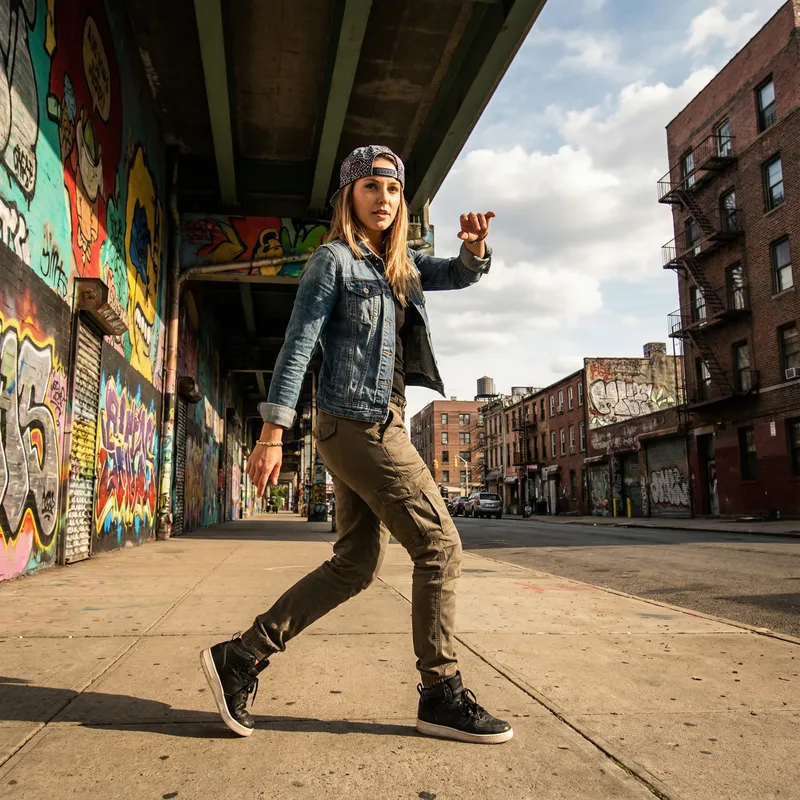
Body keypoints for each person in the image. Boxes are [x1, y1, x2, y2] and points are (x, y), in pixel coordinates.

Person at [200, 145, 512, 745]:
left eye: (393, 191)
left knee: (355, 565)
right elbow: (296, 345)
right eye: (371, 188)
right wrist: (271, 431)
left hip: (368, 422)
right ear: (349, 196)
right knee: (441, 547)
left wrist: (475, 250)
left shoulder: (398, 264)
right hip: (360, 423)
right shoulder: (333, 262)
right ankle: (440, 691)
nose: (384, 200)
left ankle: (240, 656)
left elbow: (457, 273)